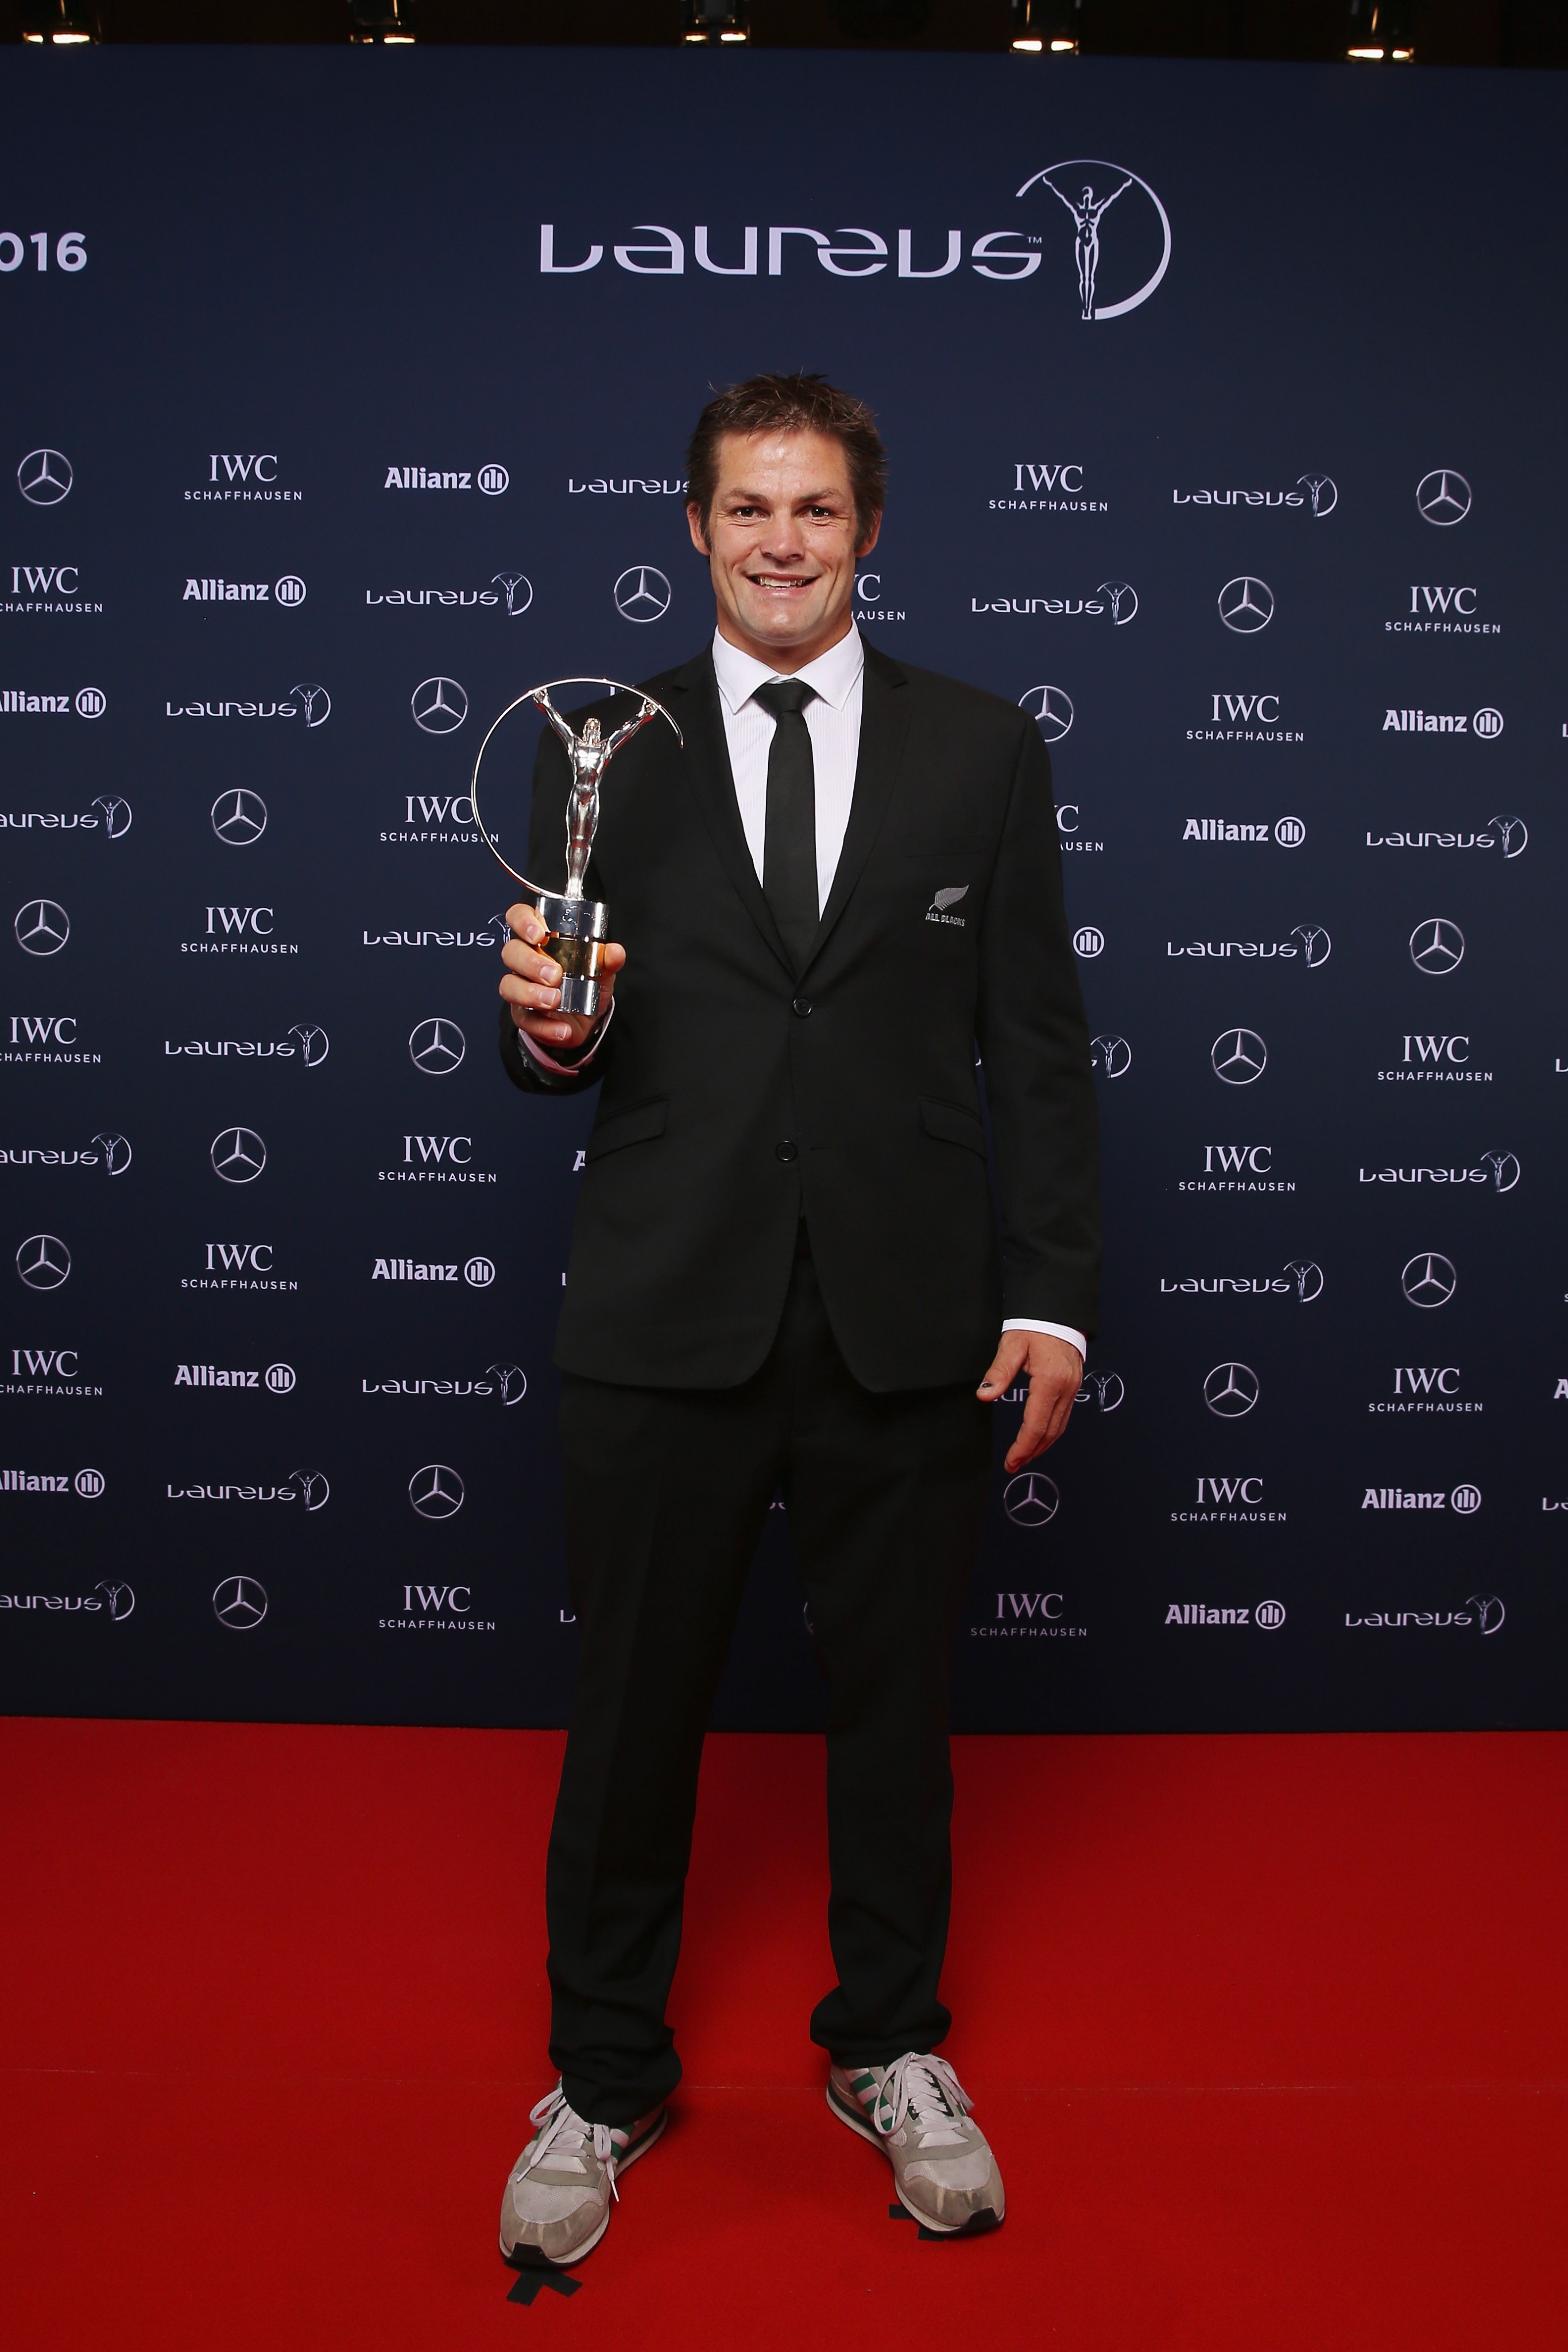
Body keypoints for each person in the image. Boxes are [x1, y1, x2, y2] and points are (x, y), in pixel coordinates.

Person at [494, 372, 1099, 2269]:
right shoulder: (600, 743)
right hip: (664, 1305)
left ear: (867, 528)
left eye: (815, 509)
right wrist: (552, 1032)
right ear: (694, 526)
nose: (780, 541)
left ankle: (889, 2045)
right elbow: (559, 1038)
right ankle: (602, 2075)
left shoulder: (982, 746)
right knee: (629, 1723)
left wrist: (1051, 1302)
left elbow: (1038, 1044)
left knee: (896, 1716)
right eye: (748, 508)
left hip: (906, 1322)